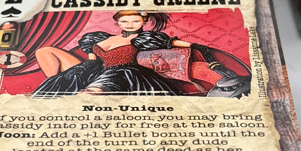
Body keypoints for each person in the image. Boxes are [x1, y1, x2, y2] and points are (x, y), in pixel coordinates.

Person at [33, 10, 189, 96]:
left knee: (88, 93)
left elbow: (172, 43)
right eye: (124, 21)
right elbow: (91, 56)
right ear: (118, 22)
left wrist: (196, 46)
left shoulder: (144, 38)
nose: (129, 25)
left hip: (121, 73)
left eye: (135, 21)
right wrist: (86, 66)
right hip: (94, 69)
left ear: (144, 21)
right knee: (45, 53)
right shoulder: (101, 37)